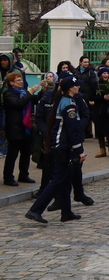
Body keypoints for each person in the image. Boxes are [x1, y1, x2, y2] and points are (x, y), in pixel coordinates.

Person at [25, 77, 87, 224]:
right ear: (70, 88)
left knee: (65, 180)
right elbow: (72, 130)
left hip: (62, 146)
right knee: (58, 180)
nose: (78, 87)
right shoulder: (69, 105)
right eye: (75, 85)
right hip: (63, 147)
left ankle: (66, 212)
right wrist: (79, 150)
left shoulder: (66, 101)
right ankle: (35, 210)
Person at [4, 71, 38, 186]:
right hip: (15, 128)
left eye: (21, 79)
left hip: (26, 127)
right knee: (12, 154)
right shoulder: (8, 94)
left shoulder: (24, 92)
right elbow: (18, 104)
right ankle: (8, 177)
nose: (21, 82)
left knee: (26, 152)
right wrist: (30, 93)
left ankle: (24, 174)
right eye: (18, 80)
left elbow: (35, 100)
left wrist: (43, 90)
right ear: (11, 83)